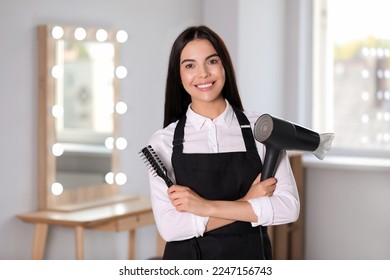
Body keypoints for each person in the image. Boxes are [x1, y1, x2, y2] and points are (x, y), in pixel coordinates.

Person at [146, 25, 300, 260]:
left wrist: (206, 207)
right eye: (190, 65)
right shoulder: (163, 142)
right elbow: (171, 227)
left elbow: (288, 208)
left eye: (212, 61)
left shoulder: (263, 129)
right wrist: (248, 201)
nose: (203, 74)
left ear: (224, 65)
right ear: (179, 75)